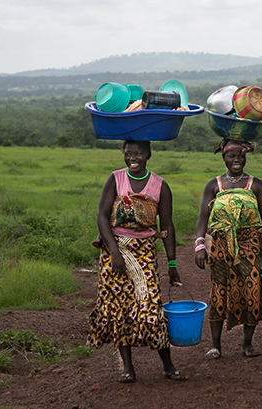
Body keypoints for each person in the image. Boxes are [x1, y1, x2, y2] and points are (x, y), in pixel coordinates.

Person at [87, 139, 187, 383]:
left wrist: (172, 264)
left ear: (148, 154)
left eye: (138, 153)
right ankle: (128, 367)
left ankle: (167, 364)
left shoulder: (160, 185)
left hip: (145, 252)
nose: (133, 157)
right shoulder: (115, 179)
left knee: (150, 306)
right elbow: (102, 215)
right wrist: (114, 252)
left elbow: (167, 225)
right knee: (119, 307)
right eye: (128, 152)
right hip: (115, 250)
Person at [194, 139, 262, 359]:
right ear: (223, 158)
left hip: (251, 245)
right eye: (231, 156)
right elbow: (203, 218)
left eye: (240, 156)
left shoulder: (256, 184)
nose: (236, 160)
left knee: (253, 289)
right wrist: (200, 245)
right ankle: (215, 345)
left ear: (246, 158)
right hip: (221, 246)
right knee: (219, 291)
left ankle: (247, 343)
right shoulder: (214, 185)